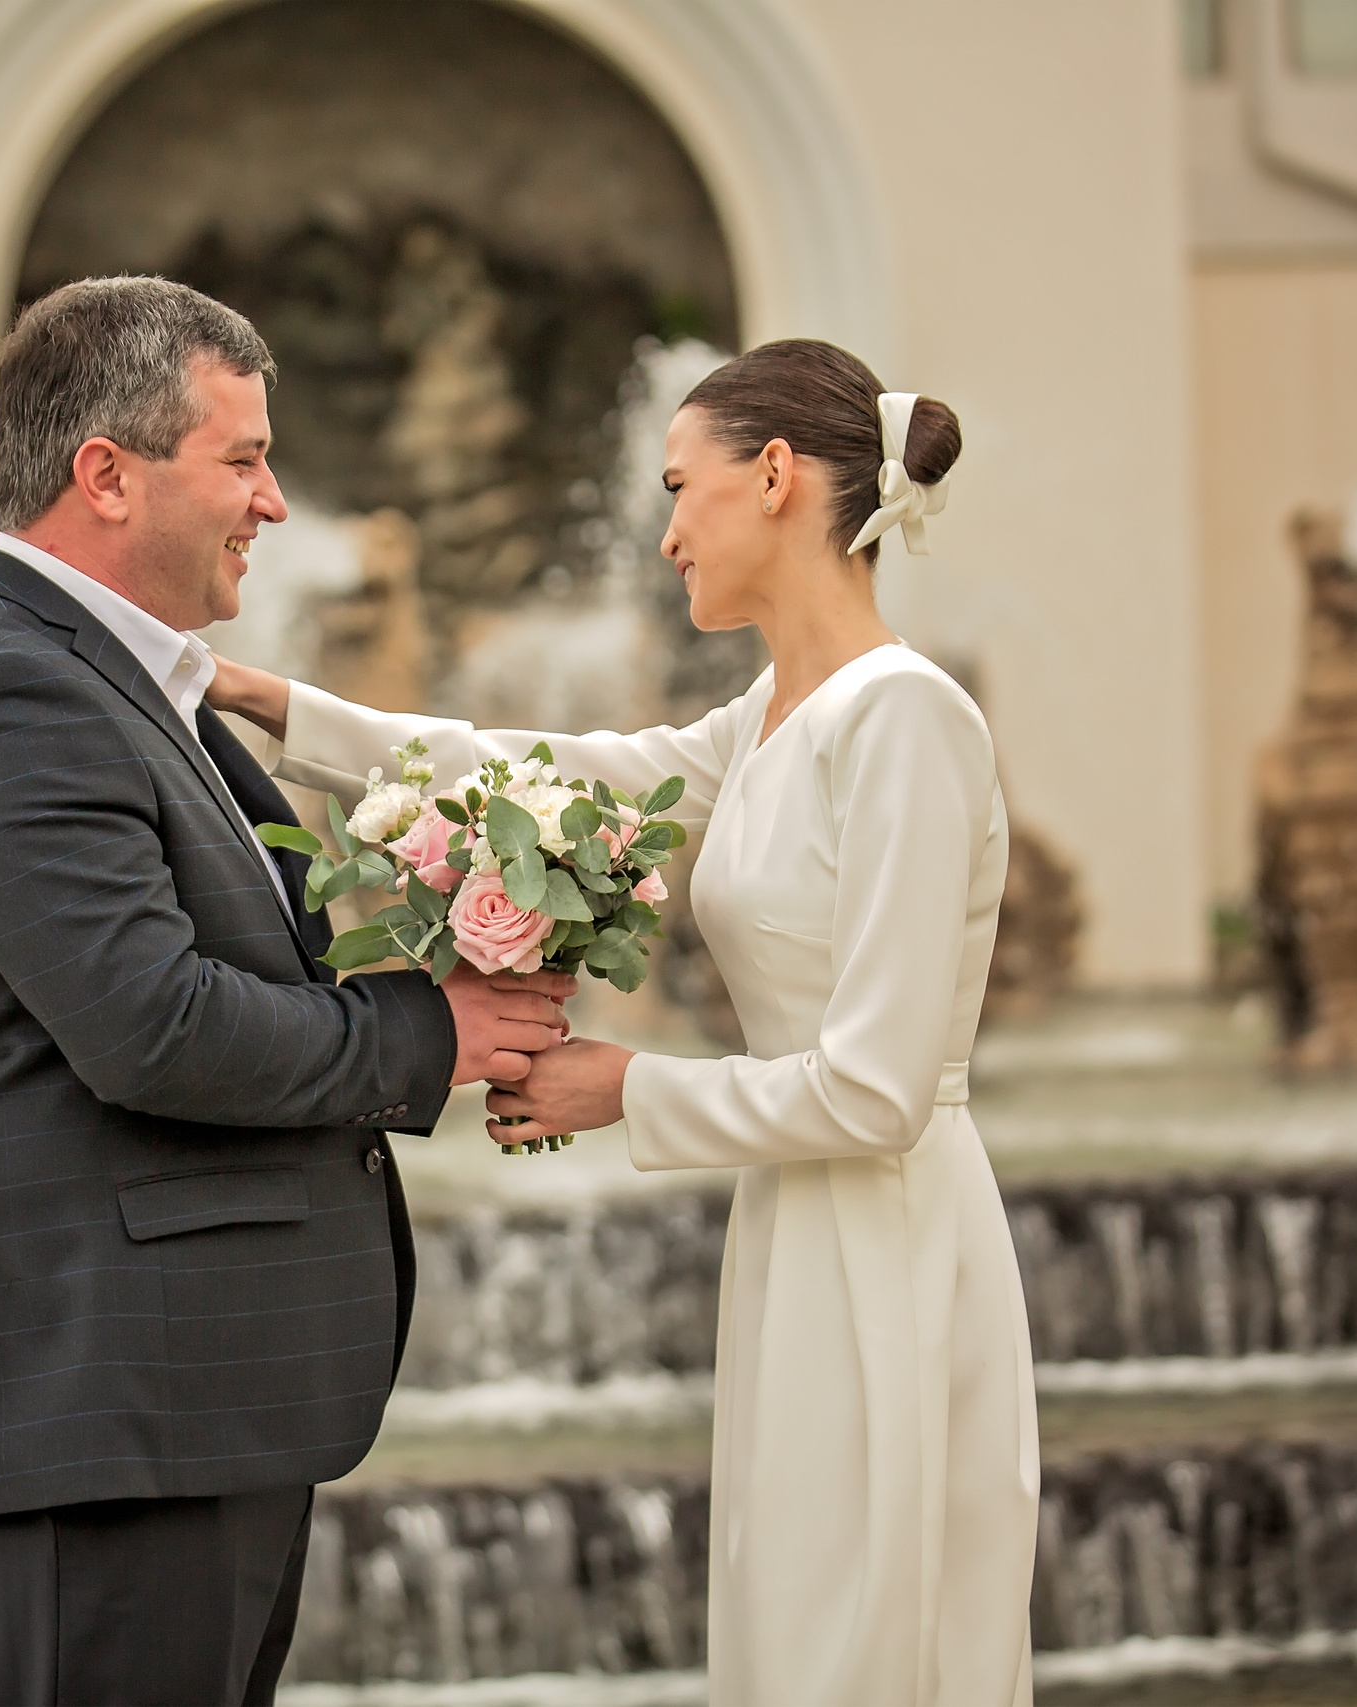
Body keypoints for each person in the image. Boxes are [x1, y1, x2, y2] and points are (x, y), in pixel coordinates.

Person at [210, 339, 1039, 1705]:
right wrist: (276, 704)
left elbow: (882, 1093)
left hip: (892, 1234)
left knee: (873, 1639)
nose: (660, 535)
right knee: (793, 1625)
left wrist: (624, 1087)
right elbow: (548, 771)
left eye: (680, 489)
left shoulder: (904, 723)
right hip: (798, 1220)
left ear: (775, 479)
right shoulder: (772, 718)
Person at [0, 276, 573, 1706]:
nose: (277, 502)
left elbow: (228, 960)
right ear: (106, 477)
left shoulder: (118, 682)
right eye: (241, 460)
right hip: (104, 1415)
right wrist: (432, 1035)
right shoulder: (15, 694)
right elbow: (154, 1027)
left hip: (179, 1407)